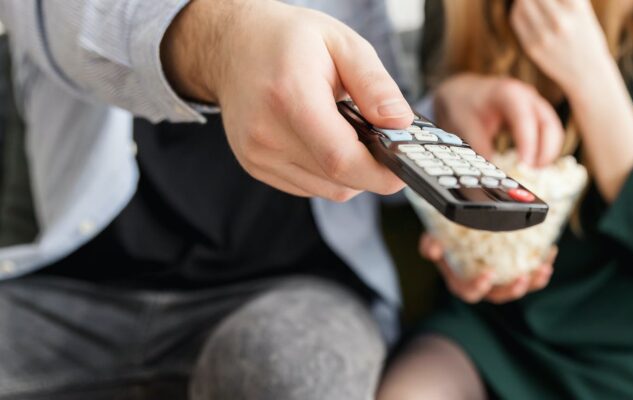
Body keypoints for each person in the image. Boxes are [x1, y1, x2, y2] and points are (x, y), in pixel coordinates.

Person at [0, 0, 563, 399]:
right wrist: (225, 43)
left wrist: (441, 110)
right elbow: (56, 19)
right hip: (71, 287)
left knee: (292, 374)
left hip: (298, 291)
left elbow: (373, 123)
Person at [378, 0, 633, 399]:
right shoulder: (456, 11)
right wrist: (446, 101)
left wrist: (591, 75)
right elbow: (439, 183)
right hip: (493, 325)